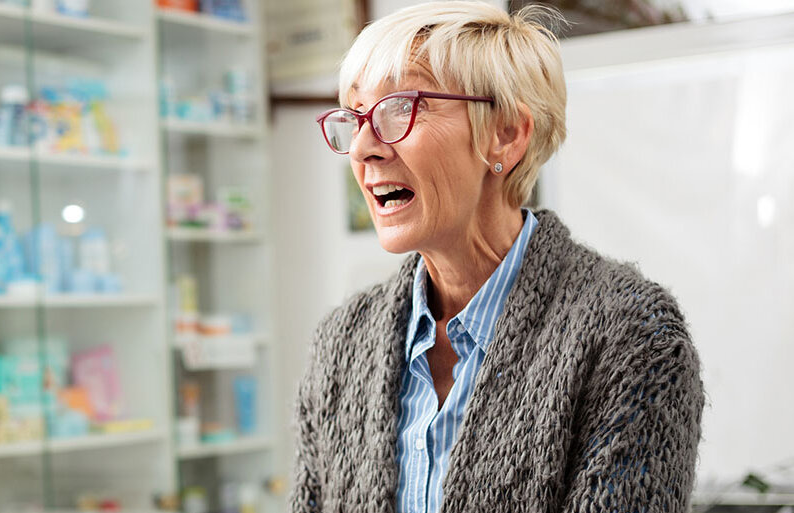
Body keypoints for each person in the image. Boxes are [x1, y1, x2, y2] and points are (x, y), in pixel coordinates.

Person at [293, 2, 703, 512]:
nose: (362, 148)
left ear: (506, 133)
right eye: (355, 117)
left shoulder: (633, 335)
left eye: (400, 107)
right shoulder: (340, 344)